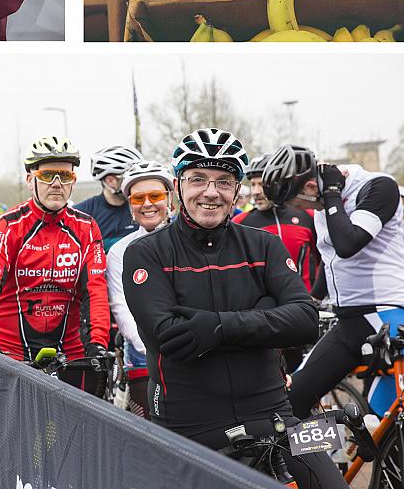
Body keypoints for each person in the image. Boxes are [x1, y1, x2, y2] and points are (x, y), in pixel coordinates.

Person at [122, 127, 346, 489]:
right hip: (189, 427)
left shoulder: (265, 245)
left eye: (224, 181)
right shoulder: (145, 252)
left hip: (277, 415)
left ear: (236, 190)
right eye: (198, 179)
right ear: (178, 186)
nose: (211, 192)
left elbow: (305, 320)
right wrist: (266, 313)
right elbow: (170, 337)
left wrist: (216, 327)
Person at [262, 145, 404, 422]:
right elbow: (333, 264)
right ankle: (323, 462)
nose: (301, 210)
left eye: (299, 204)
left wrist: (331, 196)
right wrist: (310, 301)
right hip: (349, 322)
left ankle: (384, 460)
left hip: (385, 317)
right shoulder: (326, 204)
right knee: (294, 400)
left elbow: (348, 244)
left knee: (382, 418)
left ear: (312, 186)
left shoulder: (377, 187)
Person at [0, 135, 110, 393]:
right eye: (47, 175)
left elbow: (97, 290)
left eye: (64, 176)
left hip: (69, 352)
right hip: (11, 350)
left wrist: (98, 342)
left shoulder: (87, 228)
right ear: (30, 179)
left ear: (73, 181)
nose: (57, 184)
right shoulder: (8, 225)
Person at [106, 159, 173, 419]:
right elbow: (120, 305)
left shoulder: (189, 240)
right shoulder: (120, 250)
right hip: (143, 355)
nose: (147, 203)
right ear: (130, 205)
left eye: (155, 195)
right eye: (138, 197)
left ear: (169, 198)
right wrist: (148, 344)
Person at [236, 154, 320, 291]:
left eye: (261, 184)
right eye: (252, 185)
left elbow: (323, 260)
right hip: (264, 308)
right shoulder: (240, 222)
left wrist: (316, 295)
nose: (256, 192)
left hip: (304, 303)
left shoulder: (308, 216)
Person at [78, 145, 144, 252]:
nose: (135, 183)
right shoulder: (82, 214)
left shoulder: (143, 209)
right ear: (110, 181)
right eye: (129, 178)